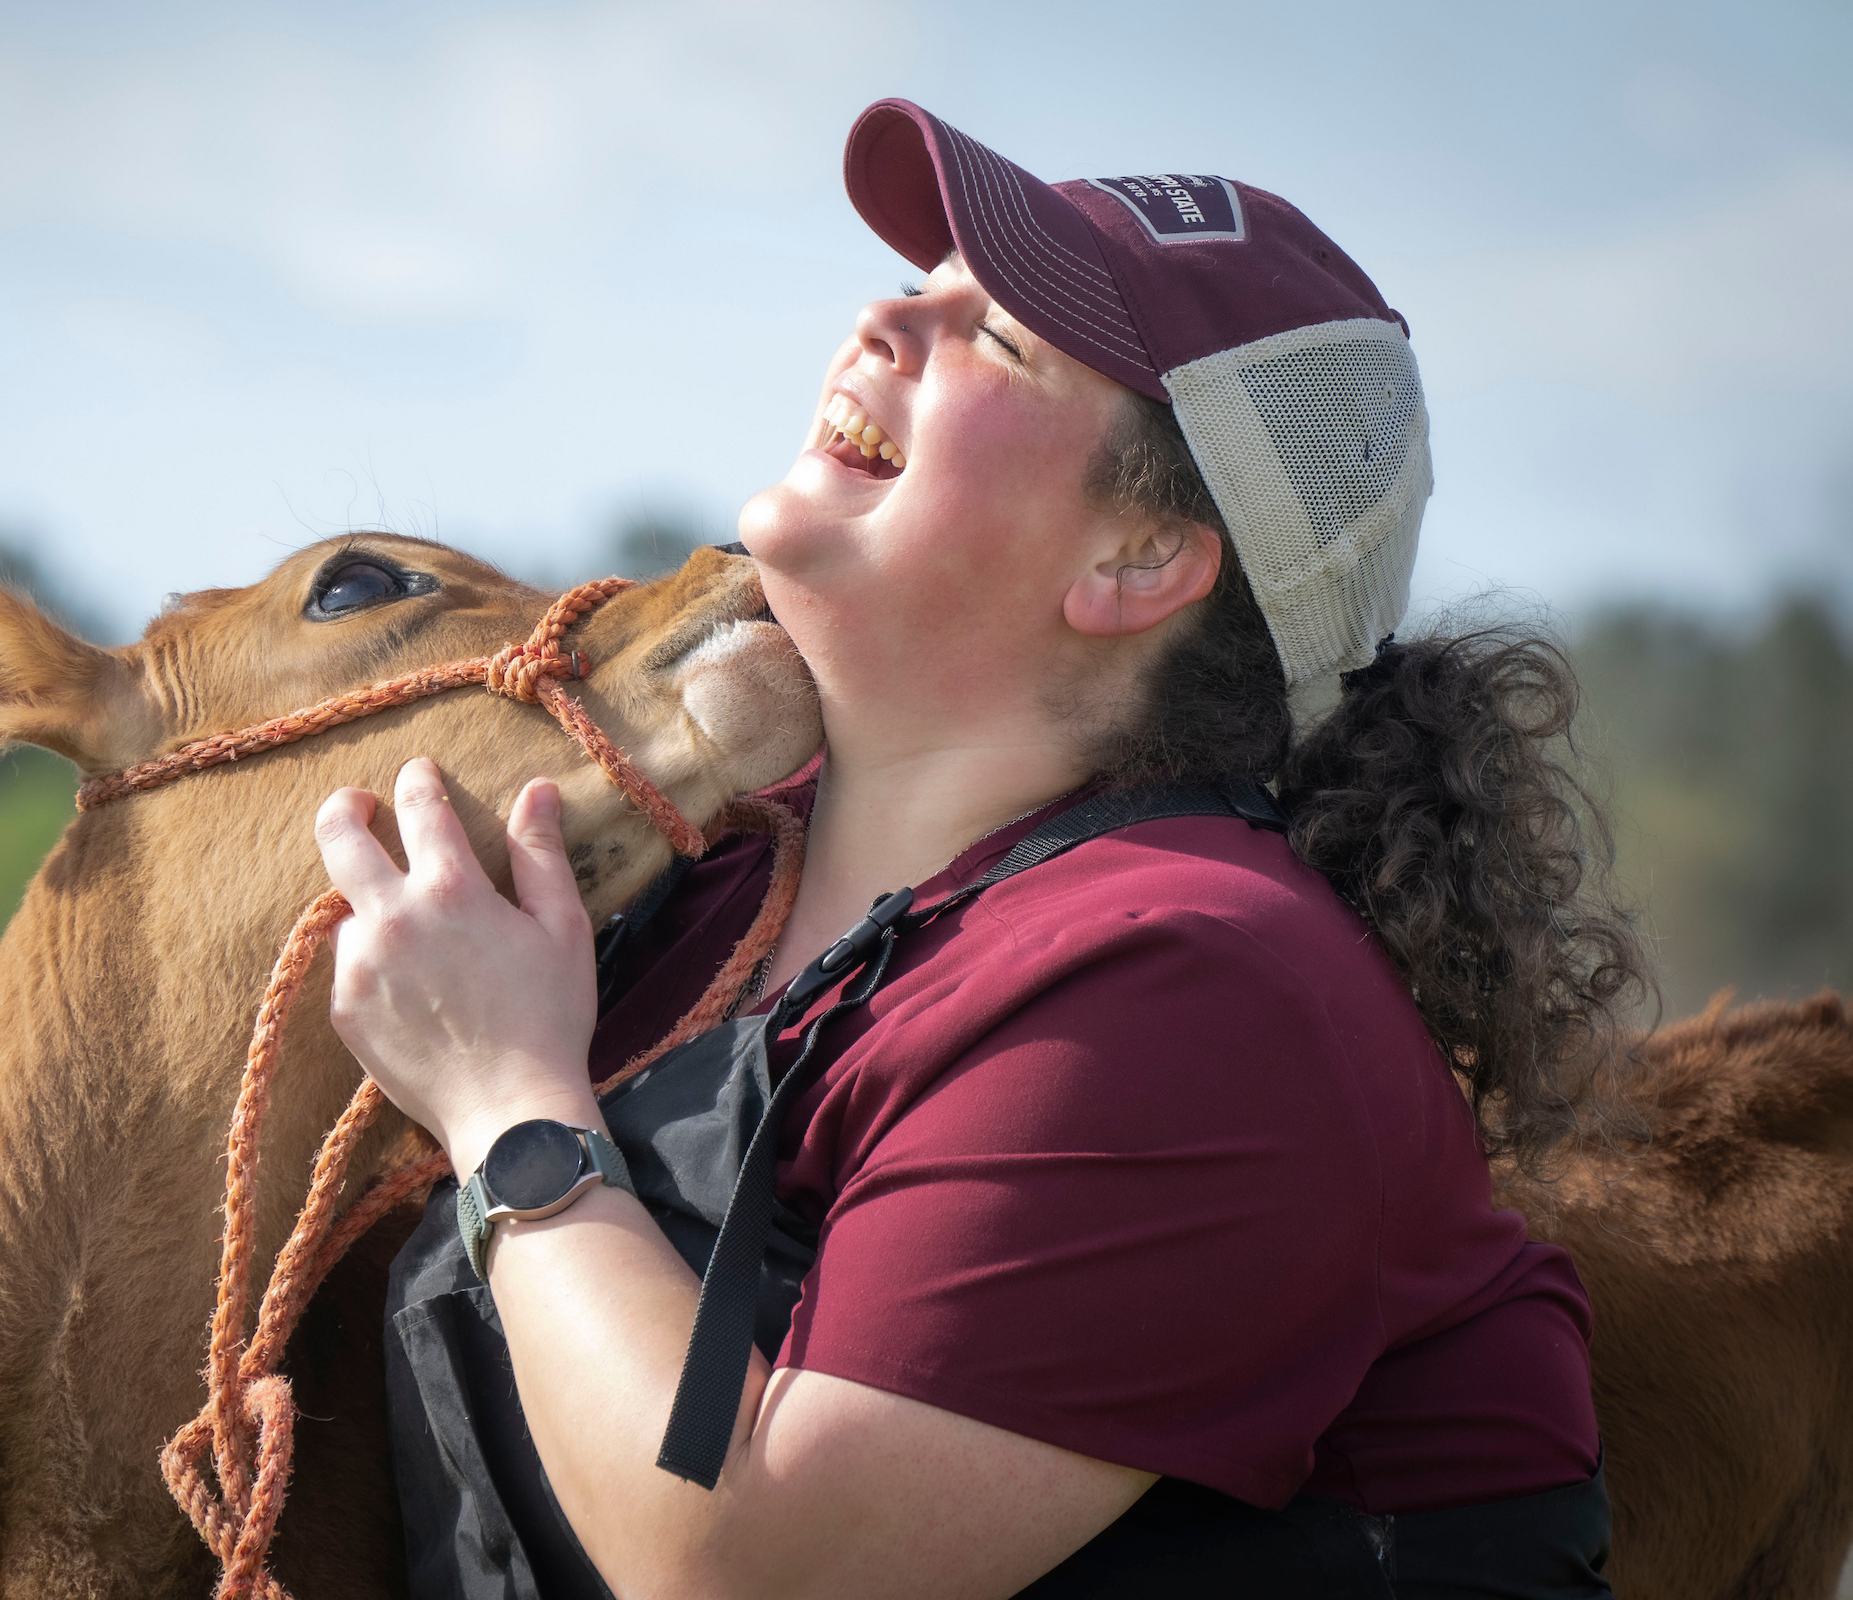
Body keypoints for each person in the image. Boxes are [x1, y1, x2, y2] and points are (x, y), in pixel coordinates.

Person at [313, 98, 1643, 1598]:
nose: (882, 317)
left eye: (997, 339)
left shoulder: (1200, 991)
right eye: (920, 286)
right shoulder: (713, 891)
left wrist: (506, 1101)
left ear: (1140, 563)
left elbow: (751, 1566)